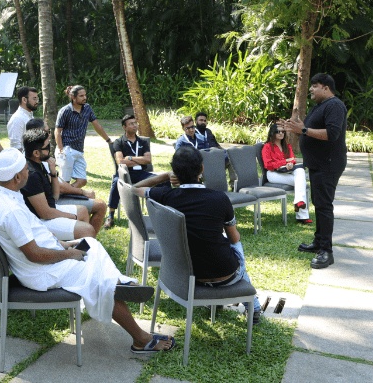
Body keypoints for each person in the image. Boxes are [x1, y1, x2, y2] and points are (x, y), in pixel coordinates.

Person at [0, 148, 175, 354]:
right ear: (16, 177)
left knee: (91, 243)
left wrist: (63, 244)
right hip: (41, 271)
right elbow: (34, 254)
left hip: (47, 257)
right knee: (100, 281)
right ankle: (140, 338)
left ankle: (118, 282)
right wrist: (68, 254)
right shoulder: (11, 211)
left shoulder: (4, 195)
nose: (28, 172)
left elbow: (33, 233)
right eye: (25, 169)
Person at [132, 146, 263, 323]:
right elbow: (234, 238)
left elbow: (134, 189)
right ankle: (254, 307)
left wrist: (165, 176)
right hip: (226, 275)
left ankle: (225, 304)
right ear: (201, 169)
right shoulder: (220, 198)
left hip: (187, 276)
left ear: (175, 171)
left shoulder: (165, 195)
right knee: (234, 242)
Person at [279, 73, 348, 269]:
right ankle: (319, 242)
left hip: (328, 164)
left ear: (326, 88)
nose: (310, 89)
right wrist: (295, 127)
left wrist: (303, 130)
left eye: (315, 86)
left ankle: (326, 251)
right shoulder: (320, 106)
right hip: (319, 163)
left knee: (324, 206)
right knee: (319, 204)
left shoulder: (335, 105)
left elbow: (332, 133)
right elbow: (306, 129)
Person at [21, 129, 105, 239]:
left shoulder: (39, 163)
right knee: (87, 229)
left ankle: (82, 245)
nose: (50, 148)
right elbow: (45, 213)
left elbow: (55, 196)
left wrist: (53, 173)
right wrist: (72, 216)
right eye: (47, 147)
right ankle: (80, 244)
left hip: (51, 210)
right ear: (36, 153)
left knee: (83, 211)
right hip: (41, 221)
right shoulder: (32, 174)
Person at [26, 118, 106, 213]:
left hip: (55, 198)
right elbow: (59, 189)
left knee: (88, 207)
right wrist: (83, 192)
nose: (50, 134)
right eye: (47, 132)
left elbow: (58, 185)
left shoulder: (41, 156)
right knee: (99, 206)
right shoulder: (37, 157)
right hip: (53, 203)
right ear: (36, 133)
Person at [104, 114, 157, 229]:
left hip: (141, 174)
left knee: (162, 181)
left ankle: (162, 213)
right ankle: (110, 216)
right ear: (124, 127)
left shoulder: (143, 141)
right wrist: (139, 161)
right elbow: (120, 162)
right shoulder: (119, 142)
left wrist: (130, 158)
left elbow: (148, 160)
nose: (134, 126)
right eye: (131, 124)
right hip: (125, 174)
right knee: (116, 182)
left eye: (135, 123)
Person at [55, 85, 113, 188]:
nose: (85, 98)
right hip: (67, 150)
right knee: (65, 181)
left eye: (85, 95)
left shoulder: (87, 108)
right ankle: (62, 194)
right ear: (73, 97)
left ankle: (66, 192)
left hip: (79, 150)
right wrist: (61, 150)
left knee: (82, 181)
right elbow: (57, 131)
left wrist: (108, 140)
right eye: (81, 96)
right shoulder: (65, 111)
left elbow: (96, 125)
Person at [262, 124, 311, 224]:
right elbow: (268, 165)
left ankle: (299, 202)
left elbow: (292, 159)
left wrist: (290, 163)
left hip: (286, 172)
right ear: (272, 133)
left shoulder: (287, 146)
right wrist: (285, 162)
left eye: (283, 132)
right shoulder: (267, 147)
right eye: (278, 131)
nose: (281, 133)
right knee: (301, 182)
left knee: (300, 171)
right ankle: (302, 216)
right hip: (273, 174)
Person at [7, 86, 39, 152]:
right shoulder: (17, 119)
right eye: (34, 99)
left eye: (37, 99)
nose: (37, 101)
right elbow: (16, 147)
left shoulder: (29, 116)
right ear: (24, 100)